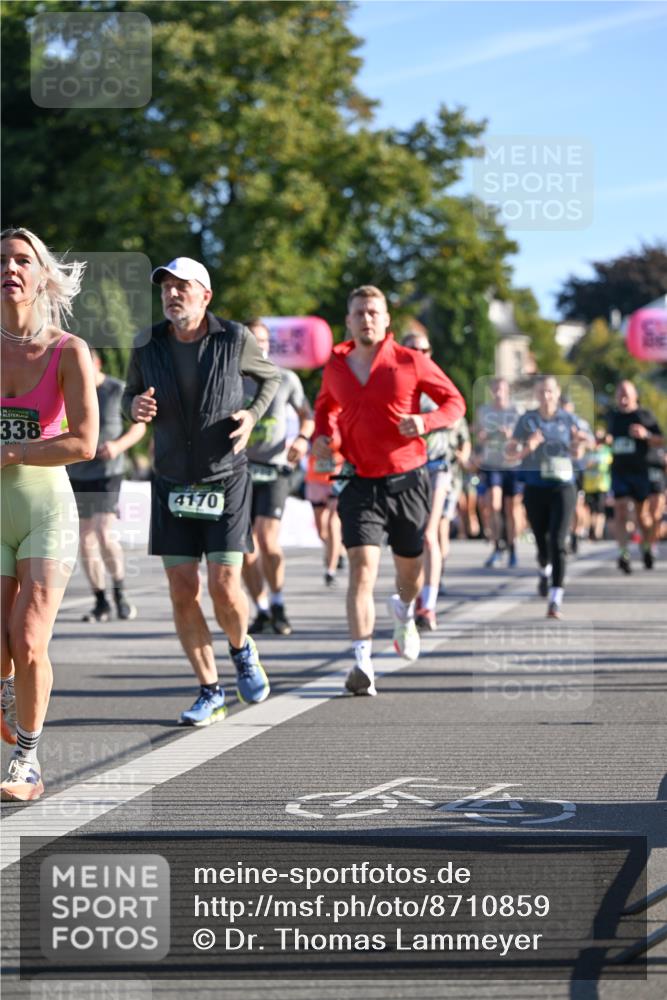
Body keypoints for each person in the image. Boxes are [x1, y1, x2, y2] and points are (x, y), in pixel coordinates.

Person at [122, 257, 281, 725]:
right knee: (182, 590)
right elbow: (129, 397)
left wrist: (251, 416)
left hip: (225, 476)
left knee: (224, 584)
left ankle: (241, 647)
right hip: (171, 479)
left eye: (182, 287)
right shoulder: (146, 343)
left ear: (205, 295)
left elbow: (270, 378)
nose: (172, 294)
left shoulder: (234, 338)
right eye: (166, 287)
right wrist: (135, 405)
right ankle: (210, 690)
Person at [313, 285, 465, 696]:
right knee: (362, 570)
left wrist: (426, 423)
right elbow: (324, 407)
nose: (366, 319)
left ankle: (404, 611)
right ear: (348, 321)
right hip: (360, 481)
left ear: (386, 320)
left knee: (408, 575)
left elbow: (455, 403)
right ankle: (363, 664)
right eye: (359, 312)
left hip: (408, 480)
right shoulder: (336, 365)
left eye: (373, 312)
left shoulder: (409, 361)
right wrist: (324, 437)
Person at [1, 228, 99, 800]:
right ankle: (9, 692)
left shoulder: (69, 350)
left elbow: (85, 442)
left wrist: (13, 451)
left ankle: (28, 761)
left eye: (22, 260)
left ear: (41, 275)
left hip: (45, 508)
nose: (11, 268)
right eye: (2, 261)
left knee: (29, 636)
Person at [241, 319, 314, 636]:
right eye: (251, 340)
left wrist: (302, 440)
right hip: (239, 469)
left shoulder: (285, 378)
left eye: (263, 340)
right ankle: (261, 608)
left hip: (275, 467)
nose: (259, 346)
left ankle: (279, 601)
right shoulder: (231, 379)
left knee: (267, 540)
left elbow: (306, 416)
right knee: (245, 548)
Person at [68, 348, 145, 622]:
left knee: (103, 532)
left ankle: (120, 593)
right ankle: (100, 600)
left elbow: (139, 426)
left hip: (107, 471)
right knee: (85, 539)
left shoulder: (117, 390)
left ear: (97, 363)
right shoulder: (70, 391)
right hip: (77, 472)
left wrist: (117, 446)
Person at [402, 331, 471, 629]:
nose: (419, 353)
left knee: (430, 533)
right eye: (411, 348)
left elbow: (459, 418)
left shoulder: (439, 385)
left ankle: (428, 605)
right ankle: (413, 595)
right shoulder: (392, 384)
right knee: (408, 539)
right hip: (403, 466)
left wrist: (429, 422)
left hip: (437, 466)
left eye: (424, 349)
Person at [508, 375, 588, 619]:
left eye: (550, 391)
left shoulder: (569, 419)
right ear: (536, 394)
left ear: (557, 393)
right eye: (541, 392)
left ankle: (555, 599)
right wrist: (527, 447)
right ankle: (544, 567)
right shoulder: (527, 419)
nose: (546, 396)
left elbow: (581, 450)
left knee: (558, 541)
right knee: (542, 542)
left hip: (563, 485)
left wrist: (579, 445)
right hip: (535, 486)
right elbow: (510, 452)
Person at [607, 380, 664, 573]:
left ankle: (647, 546)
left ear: (634, 396)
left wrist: (645, 434)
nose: (623, 397)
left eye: (626, 394)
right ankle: (623, 552)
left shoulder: (643, 415)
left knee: (643, 516)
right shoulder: (612, 417)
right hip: (619, 472)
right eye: (620, 393)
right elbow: (610, 439)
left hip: (640, 472)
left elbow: (660, 439)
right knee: (620, 510)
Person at [475, 377, 523, 569]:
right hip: (491, 463)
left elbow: (525, 438)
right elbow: (478, 436)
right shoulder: (484, 411)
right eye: (495, 389)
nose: (498, 393)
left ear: (507, 391)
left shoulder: (516, 411)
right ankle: (497, 546)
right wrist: (483, 437)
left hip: (512, 464)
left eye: (501, 389)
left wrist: (511, 435)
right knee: (493, 505)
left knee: (512, 509)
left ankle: (512, 547)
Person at [304, 420, 345, 587]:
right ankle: (336, 550)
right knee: (322, 531)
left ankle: (330, 570)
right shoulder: (314, 423)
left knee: (333, 523)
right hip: (315, 479)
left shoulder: (343, 420)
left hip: (336, 479)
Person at [582, 428, 613, 541]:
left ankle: (597, 533)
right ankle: (590, 530)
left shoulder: (606, 451)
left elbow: (606, 464)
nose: (597, 441)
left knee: (600, 510)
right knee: (589, 510)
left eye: (600, 439)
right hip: (588, 486)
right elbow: (583, 464)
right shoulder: (588, 451)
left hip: (601, 485)